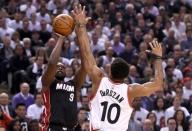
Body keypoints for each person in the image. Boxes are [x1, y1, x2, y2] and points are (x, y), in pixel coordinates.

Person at [72, 4, 164, 131]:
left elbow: (87, 53)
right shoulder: (130, 90)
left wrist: (81, 26)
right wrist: (158, 58)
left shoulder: (99, 80)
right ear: (126, 76)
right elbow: (158, 84)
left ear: (109, 70)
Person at [39, 34, 86, 131]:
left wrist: (81, 37)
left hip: (70, 128)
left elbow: (85, 67)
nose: (60, 67)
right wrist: (61, 38)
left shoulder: (73, 84)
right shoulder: (48, 82)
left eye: (63, 67)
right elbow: (52, 62)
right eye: (58, 66)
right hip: (51, 126)